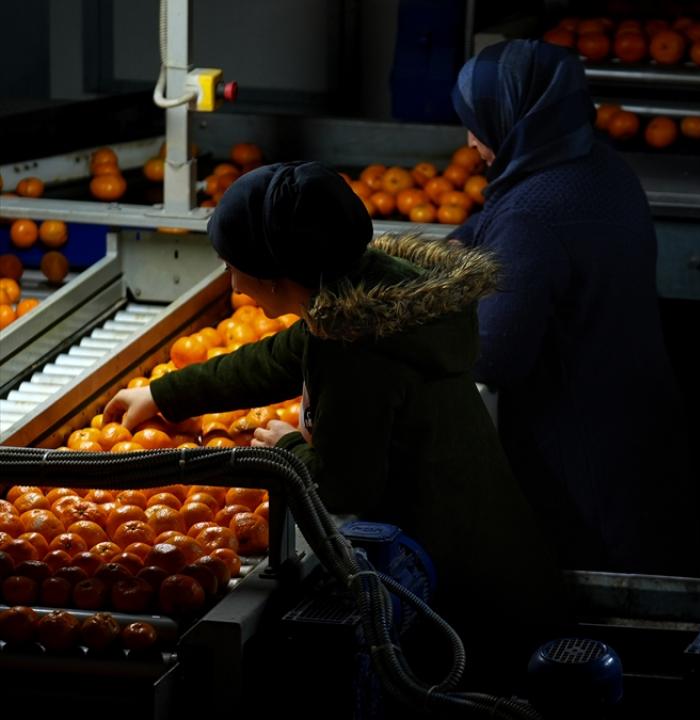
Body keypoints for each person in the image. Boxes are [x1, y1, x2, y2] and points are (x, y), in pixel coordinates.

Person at [104, 161, 564, 675]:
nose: (232, 287)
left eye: (234, 268)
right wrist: (164, 393)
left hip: (471, 607)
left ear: (277, 276)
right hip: (499, 559)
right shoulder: (369, 297)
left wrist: (285, 446)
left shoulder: (357, 353)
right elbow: (279, 358)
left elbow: (345, 490)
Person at [447, 39, 696, 575]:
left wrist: (405, 324)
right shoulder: (599, 167)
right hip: (638, 428)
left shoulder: (535, 212)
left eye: (478, 121)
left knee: (594, 602)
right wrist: (451, 248)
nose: (470, 141)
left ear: (516, 114)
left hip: (580, 450)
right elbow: (495, 226)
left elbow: (495, 354)